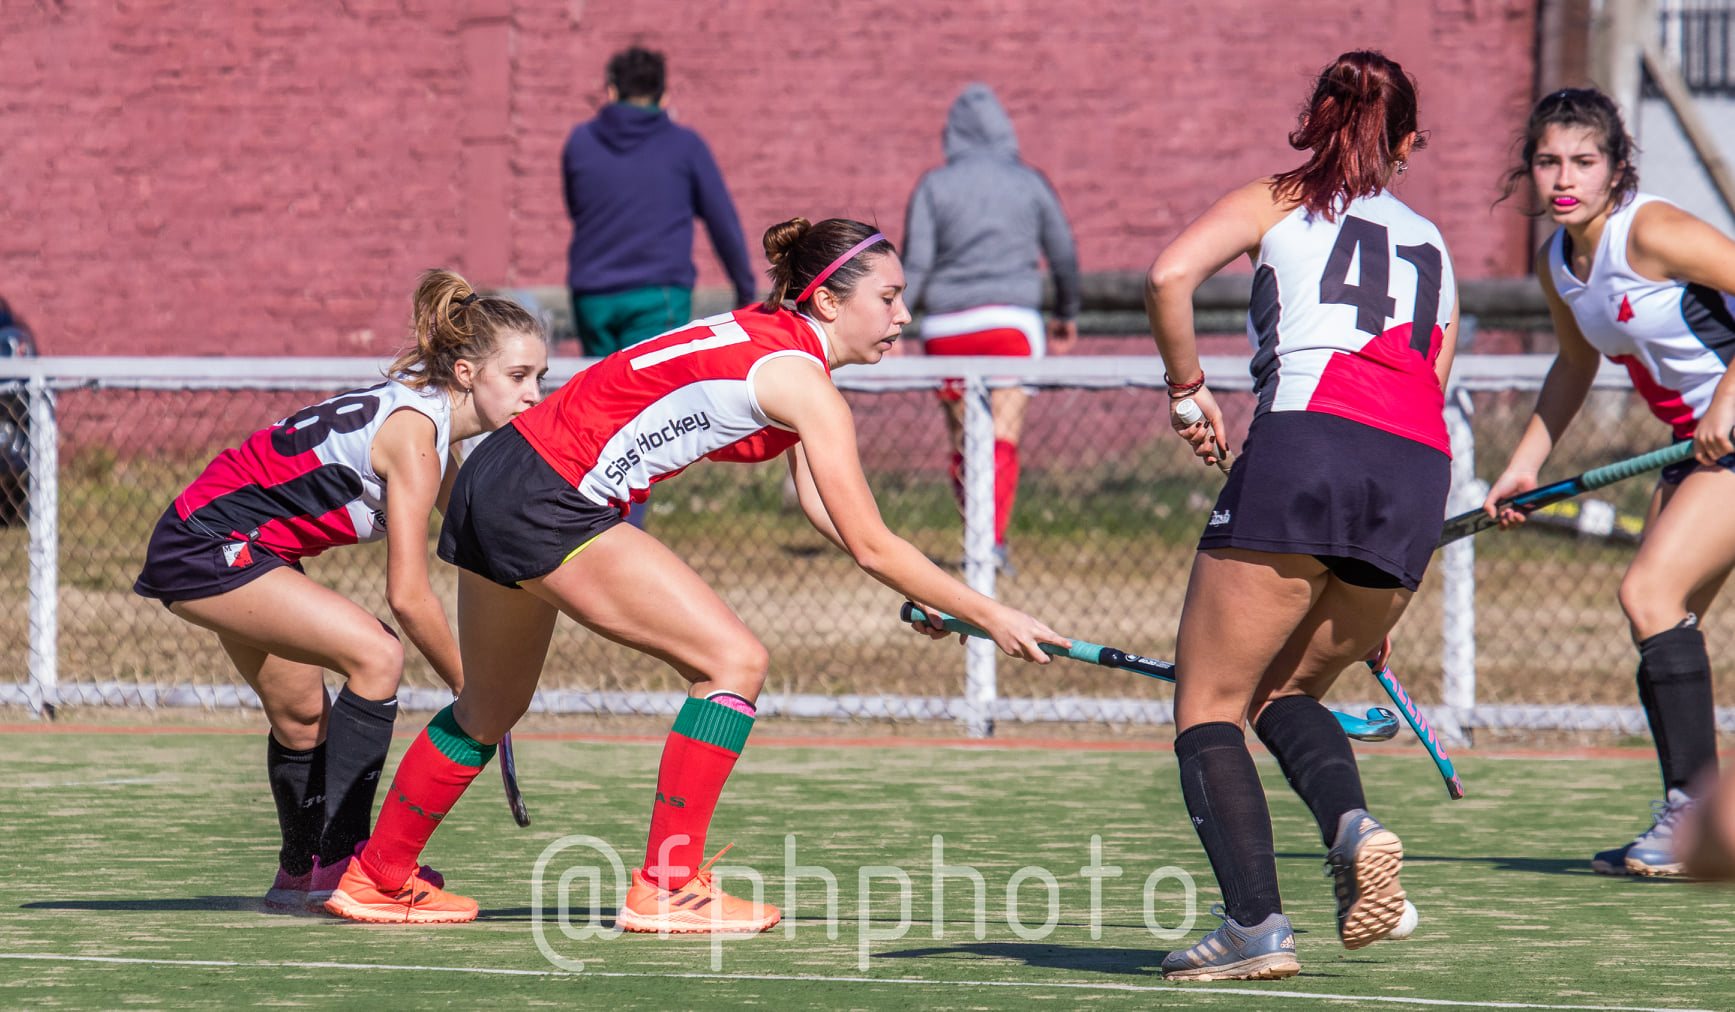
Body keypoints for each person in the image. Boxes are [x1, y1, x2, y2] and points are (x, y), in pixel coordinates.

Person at [323, 217, 1069, 927]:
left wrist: (931, 593)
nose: (904, 314)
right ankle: (669, 887)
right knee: (732, 660)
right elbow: (872, 543)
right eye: (888, 297)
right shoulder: (801, 380)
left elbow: (829, 514)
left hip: (498, 474)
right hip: (550, 496)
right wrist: (990, 613)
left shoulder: (771, 341)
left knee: (488, 703)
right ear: (829, 301)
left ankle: (378, 875)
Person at [1144, 51, 1458, 979]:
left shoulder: (1277, 197)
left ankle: (1253, 927)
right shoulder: (1431, 240)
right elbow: (1434, 381)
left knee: (1207, 703)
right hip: (1413, 471)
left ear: (1315, 120)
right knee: (1283, 693)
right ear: (1405, 142)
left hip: (1306, 443)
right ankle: (1354, 826)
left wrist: (1186, 389)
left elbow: (1168, 276)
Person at [132, 271, 547, 910]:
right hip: (209, 542)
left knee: (302, 718)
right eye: (518, 377)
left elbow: (473, 533)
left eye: (539, 377)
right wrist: (475, 686)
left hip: (240, 545)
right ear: (466, 374)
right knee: (377, 654)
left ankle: (305, 872)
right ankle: (359, 868)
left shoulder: (429, 418)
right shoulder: (417, 439)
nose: (534, 394)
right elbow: (408, 595)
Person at [1483, 87, 1735, 877]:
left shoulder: (1650, 229)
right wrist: (1524, 463)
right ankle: (1694, 820)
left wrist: (1727, 400)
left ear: (1615, 166)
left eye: (1583, 162)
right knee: (1667, 621)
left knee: (1648, 598)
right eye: (1547, 160)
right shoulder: (1557, 262)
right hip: (1692, 447)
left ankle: (1692, 813)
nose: (1563, 178)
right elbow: (1574, 362)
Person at [903, 83, 1080, 570]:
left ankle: (974, 536)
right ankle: (992, 544)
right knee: (1003, 435)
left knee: (964, 438)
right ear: (1005, 129)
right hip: (1012, 325)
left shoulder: (933, 186)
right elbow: (1063, 253)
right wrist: (1067, 312)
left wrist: (894, 325)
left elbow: (914, 264)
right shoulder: (1030, 182)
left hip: (947, 328)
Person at [561, 45, 757, 358]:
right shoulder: (686, 146)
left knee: (600, 396)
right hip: (657, 295)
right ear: (663, 96)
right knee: (650, 396)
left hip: (592, 297)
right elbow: (723, 223)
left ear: (611, 91)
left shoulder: (579, 142)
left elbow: (576, 209)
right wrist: (745, 288)